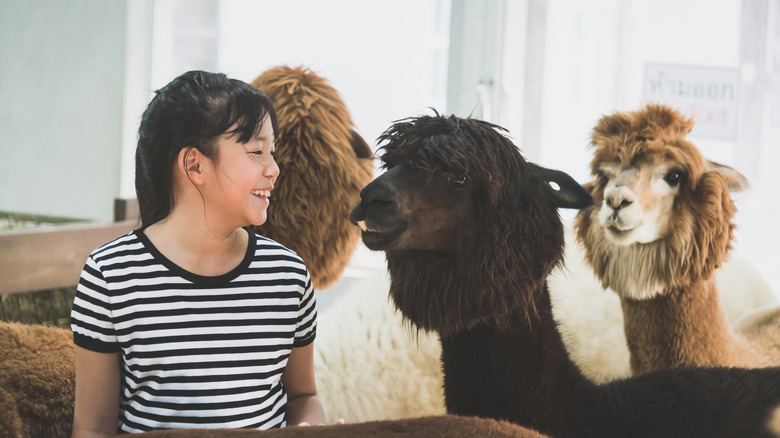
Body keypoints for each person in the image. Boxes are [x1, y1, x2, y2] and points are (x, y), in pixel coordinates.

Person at [70, 70, 332, 436]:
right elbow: (92, 429)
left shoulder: (288, 275)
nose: (274, 169)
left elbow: (304, 395)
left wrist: (307, 427)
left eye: (272, 151)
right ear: (195, 165)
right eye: (257, 151)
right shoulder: (111, 275)